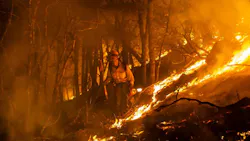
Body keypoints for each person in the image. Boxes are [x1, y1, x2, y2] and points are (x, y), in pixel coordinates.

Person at [104, 50, 135, 116]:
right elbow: (109, 77)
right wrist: (105, 83)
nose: (113, 57)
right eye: (112, 55)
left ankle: (125, 110)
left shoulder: (124, 66)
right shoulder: (110, 67)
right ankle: (118, 112)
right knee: (116, 97)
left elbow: (130, 77)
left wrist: (131, 86)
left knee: (123, 94)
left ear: (117, 57)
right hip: (117, 84)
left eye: (114, 55)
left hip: (125, 84)